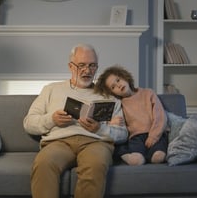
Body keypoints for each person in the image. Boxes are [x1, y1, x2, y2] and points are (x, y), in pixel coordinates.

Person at [23, 44, 128, 198]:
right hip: (59, 142)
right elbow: (28, 122)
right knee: (43, 163)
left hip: (96, 143)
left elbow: (123, 133)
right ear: (71, 67)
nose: (87, 70)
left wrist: (100, 129)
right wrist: (51, 119)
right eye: (82, 65)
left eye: (92, 65)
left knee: (96, 165)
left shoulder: (110, 96)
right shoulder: (51, 89)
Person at [94, 65, 168, 166]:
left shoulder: (148, 93)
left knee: (158, 157)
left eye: (118, 80)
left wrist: (154, 136)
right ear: (112, 92)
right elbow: (103, 119)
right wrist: (110, 122)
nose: (119, 86)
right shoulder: (119, 103)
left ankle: (151, 154)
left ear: (124, 77)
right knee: (137, 161)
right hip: (135, 138)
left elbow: (160, 116)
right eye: (113, 87)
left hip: (155, 134)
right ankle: (124, 154)